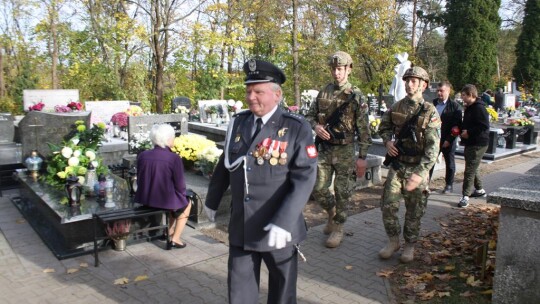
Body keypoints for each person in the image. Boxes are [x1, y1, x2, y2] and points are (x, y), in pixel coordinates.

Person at [204, 59, 317, 304]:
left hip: (278, 227)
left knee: (282, 292)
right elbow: (225, 163)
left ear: (277, 94)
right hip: (242, 224)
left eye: (258, 91)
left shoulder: (296, 127)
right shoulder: (239, 123)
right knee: (239, 292)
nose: (251, 97)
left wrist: (284, 222)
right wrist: (211, 201)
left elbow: (304, 178)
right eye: (248, 91)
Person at [305, 51, 371, 248]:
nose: (336, 73)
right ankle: (332, 215)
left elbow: (364, 130)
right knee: (318, 189)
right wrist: (315, 126)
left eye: (340, 69)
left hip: (345, 150)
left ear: (348, 70)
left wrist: (362, 157)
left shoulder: (356, 96)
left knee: (343, 192)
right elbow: (309, 116)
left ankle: (338, 228)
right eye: (334, 69)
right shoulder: (323, 92)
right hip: (325, 149)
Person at [377, 66, 441, 263]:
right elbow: (384, 127)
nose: (409, 84)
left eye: (413, 81)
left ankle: (410, 245)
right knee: (388, 205)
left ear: (424, 85)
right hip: (398, 165)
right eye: (407, 80)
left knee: (414, 210)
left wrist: (421, 173)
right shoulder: (396, 107)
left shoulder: (430, 112)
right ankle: (393, 241)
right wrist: (388, 142)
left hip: (417, 167)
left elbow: (433, 148)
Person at [135, 123, 192, 249]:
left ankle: (168, 231)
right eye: (173, 137)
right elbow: (180, 185)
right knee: (186, 203)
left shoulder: (143, 155)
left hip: (144, 198)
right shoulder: (173, 158)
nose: (174, 139)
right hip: (163, 200)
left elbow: (139, 180)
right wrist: (183, 195)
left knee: (175, 200)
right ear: (167, 139)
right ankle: (175, 238)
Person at [458, 84, 490, 208]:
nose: (462, 98)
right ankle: (480, 190)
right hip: (471, 142)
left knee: (470, 169)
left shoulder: (479, 108)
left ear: (471, 95)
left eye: (464, 95)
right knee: (473, 166)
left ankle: (465, 196)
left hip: (478, 143)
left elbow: (484, 126)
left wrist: (469, 132)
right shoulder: (469, 107)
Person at [429, 81, 462, 193]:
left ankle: (449, 185)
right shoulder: (433, 103)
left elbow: (457, 126)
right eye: (438, 91)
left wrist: (449, 139)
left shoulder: (455, 106)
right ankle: (425, 183)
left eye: (441, 91)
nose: (439, 93)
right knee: (430, 160)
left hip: (448, 138)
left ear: (448, 91)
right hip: (434, 138)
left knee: (449, 162)